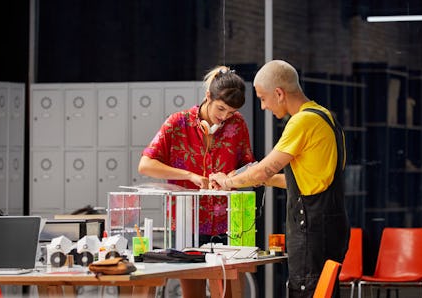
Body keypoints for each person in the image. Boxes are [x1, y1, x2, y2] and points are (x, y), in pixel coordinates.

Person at [209, 59, 350, 297]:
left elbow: (264, 169)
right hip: (330, 226)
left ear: (279, 93)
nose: (263, 107)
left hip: (312, 230)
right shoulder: (326, 117)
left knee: (306, 291)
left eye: (263, 99)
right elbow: (306, 179)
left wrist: (227, 182)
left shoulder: (302, 121)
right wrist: (264, 180)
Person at [138, 65, 255, 297]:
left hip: (228, 223)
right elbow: (146, 165)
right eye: (221, 109)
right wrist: (189, 176)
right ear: (208, 96)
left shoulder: (237, 124)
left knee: (231, 294)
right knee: (194, 295)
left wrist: (231, 179)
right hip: (186, 225)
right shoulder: (177, 123)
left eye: (231, 112)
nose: (224, 117)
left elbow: (249, 166)